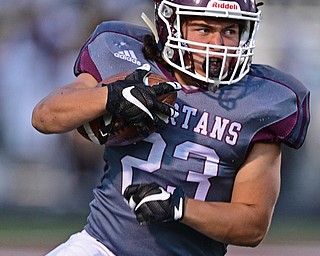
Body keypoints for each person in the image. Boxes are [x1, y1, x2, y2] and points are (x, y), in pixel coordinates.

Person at [32, 0, 310, 255]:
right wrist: (112, 96)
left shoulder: (263, 101)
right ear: (171, 25)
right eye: (203, 29)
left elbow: (252, 224)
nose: (218, 43)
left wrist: (180, 207)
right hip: (103, 246)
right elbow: (44, 117)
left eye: (230, 30)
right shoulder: (128, 58)